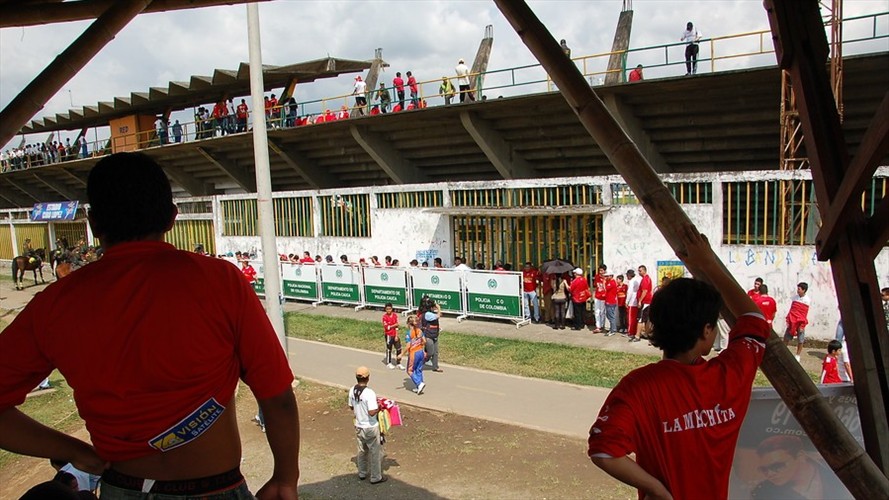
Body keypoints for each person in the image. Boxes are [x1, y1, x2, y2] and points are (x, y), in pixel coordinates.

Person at [0, 152, 300, 498]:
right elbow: (276, 398)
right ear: (172, 217)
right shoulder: (220, 281)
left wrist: (73, 450)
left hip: (122, 487)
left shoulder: (53, 304)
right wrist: (284, 477)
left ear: (94, 223)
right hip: (216, 487)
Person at [588, 225, 769, 500]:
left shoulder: (639, 386)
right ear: (707, 331)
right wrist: (708, 262)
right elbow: (753, 319)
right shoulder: (731, 374)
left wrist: (656, 489)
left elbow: (604, 451)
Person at [751, 436, 845, 499]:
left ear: (800, 456)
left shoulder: (835, 470)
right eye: (764, 469)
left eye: (777, 466)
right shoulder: (763, 492)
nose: (770, 474)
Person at [348, 366, 386, 484]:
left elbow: (351, 406)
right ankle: (376, 477)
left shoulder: (352, 390)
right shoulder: (369, 393)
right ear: (368, 378)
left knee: (362, 450)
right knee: (375, 452)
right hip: (370, 426)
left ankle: (362, 472)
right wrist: (379, 407)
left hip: (359, 425)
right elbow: (371, 412)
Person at [784, 282, 810, 362]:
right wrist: (789, 319)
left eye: (799, 289)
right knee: (786, 338)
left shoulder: (807, 300)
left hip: (800, 322)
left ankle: (798, 354)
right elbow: (792, 309)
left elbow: (804, 313)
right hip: (792, 320)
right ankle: (784, 352)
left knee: (800, 340)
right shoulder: (795, 298)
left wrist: (802, 325)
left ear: (804, 290)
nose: (797, 291)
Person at [420, 296, 443, 372]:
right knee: (430, 352)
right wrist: (439, 308)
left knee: (435, 352)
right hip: (428, 335)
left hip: (434, 334)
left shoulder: (430, 313)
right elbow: (438, 316)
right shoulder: (427, 314)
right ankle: (420, 362)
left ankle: (435, 367)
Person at [631, 265, 653, 342]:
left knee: (640, 319)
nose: (639, 272)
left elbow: (645, 291)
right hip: (647, 301)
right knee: (646, 319)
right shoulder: (647, 278)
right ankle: (646, 333)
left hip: (645, 301)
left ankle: (637, 336)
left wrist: (640, 301)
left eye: (640, 271)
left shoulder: (645, 279)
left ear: (644, 270)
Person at [405, 316, 426, 394]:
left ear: (408, 324)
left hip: (413, 353)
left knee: (409, 370)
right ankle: (419, 386)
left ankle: (419, 383)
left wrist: (401, 354)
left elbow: (408, 345)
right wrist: (419, 344)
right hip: (420, 351)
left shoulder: (409, 333)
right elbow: (424, 341)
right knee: (418, 369)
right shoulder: (420, 331)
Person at [382, 303, 404, 370]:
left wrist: (396, 335)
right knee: (389, 349)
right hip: (389, 335)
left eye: (390, 309)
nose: (389, 310)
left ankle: (398, 363)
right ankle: (389, 363)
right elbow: (387, 327)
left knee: (399, 348)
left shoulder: (394, 315)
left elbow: (397, 326)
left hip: (395, 335)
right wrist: (394, 325)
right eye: (387, 309)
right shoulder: (384, 317)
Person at [593, 265, 608, 333]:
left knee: (602, 312)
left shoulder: (607, 277)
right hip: (597, 296)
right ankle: (598, 326)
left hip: (604, 297)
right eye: (600, 270)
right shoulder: (597, 276)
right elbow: (595, 285)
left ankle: (602, 325)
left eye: (602, 271)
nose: (600, 272)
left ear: (605, 271)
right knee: (597, 312)